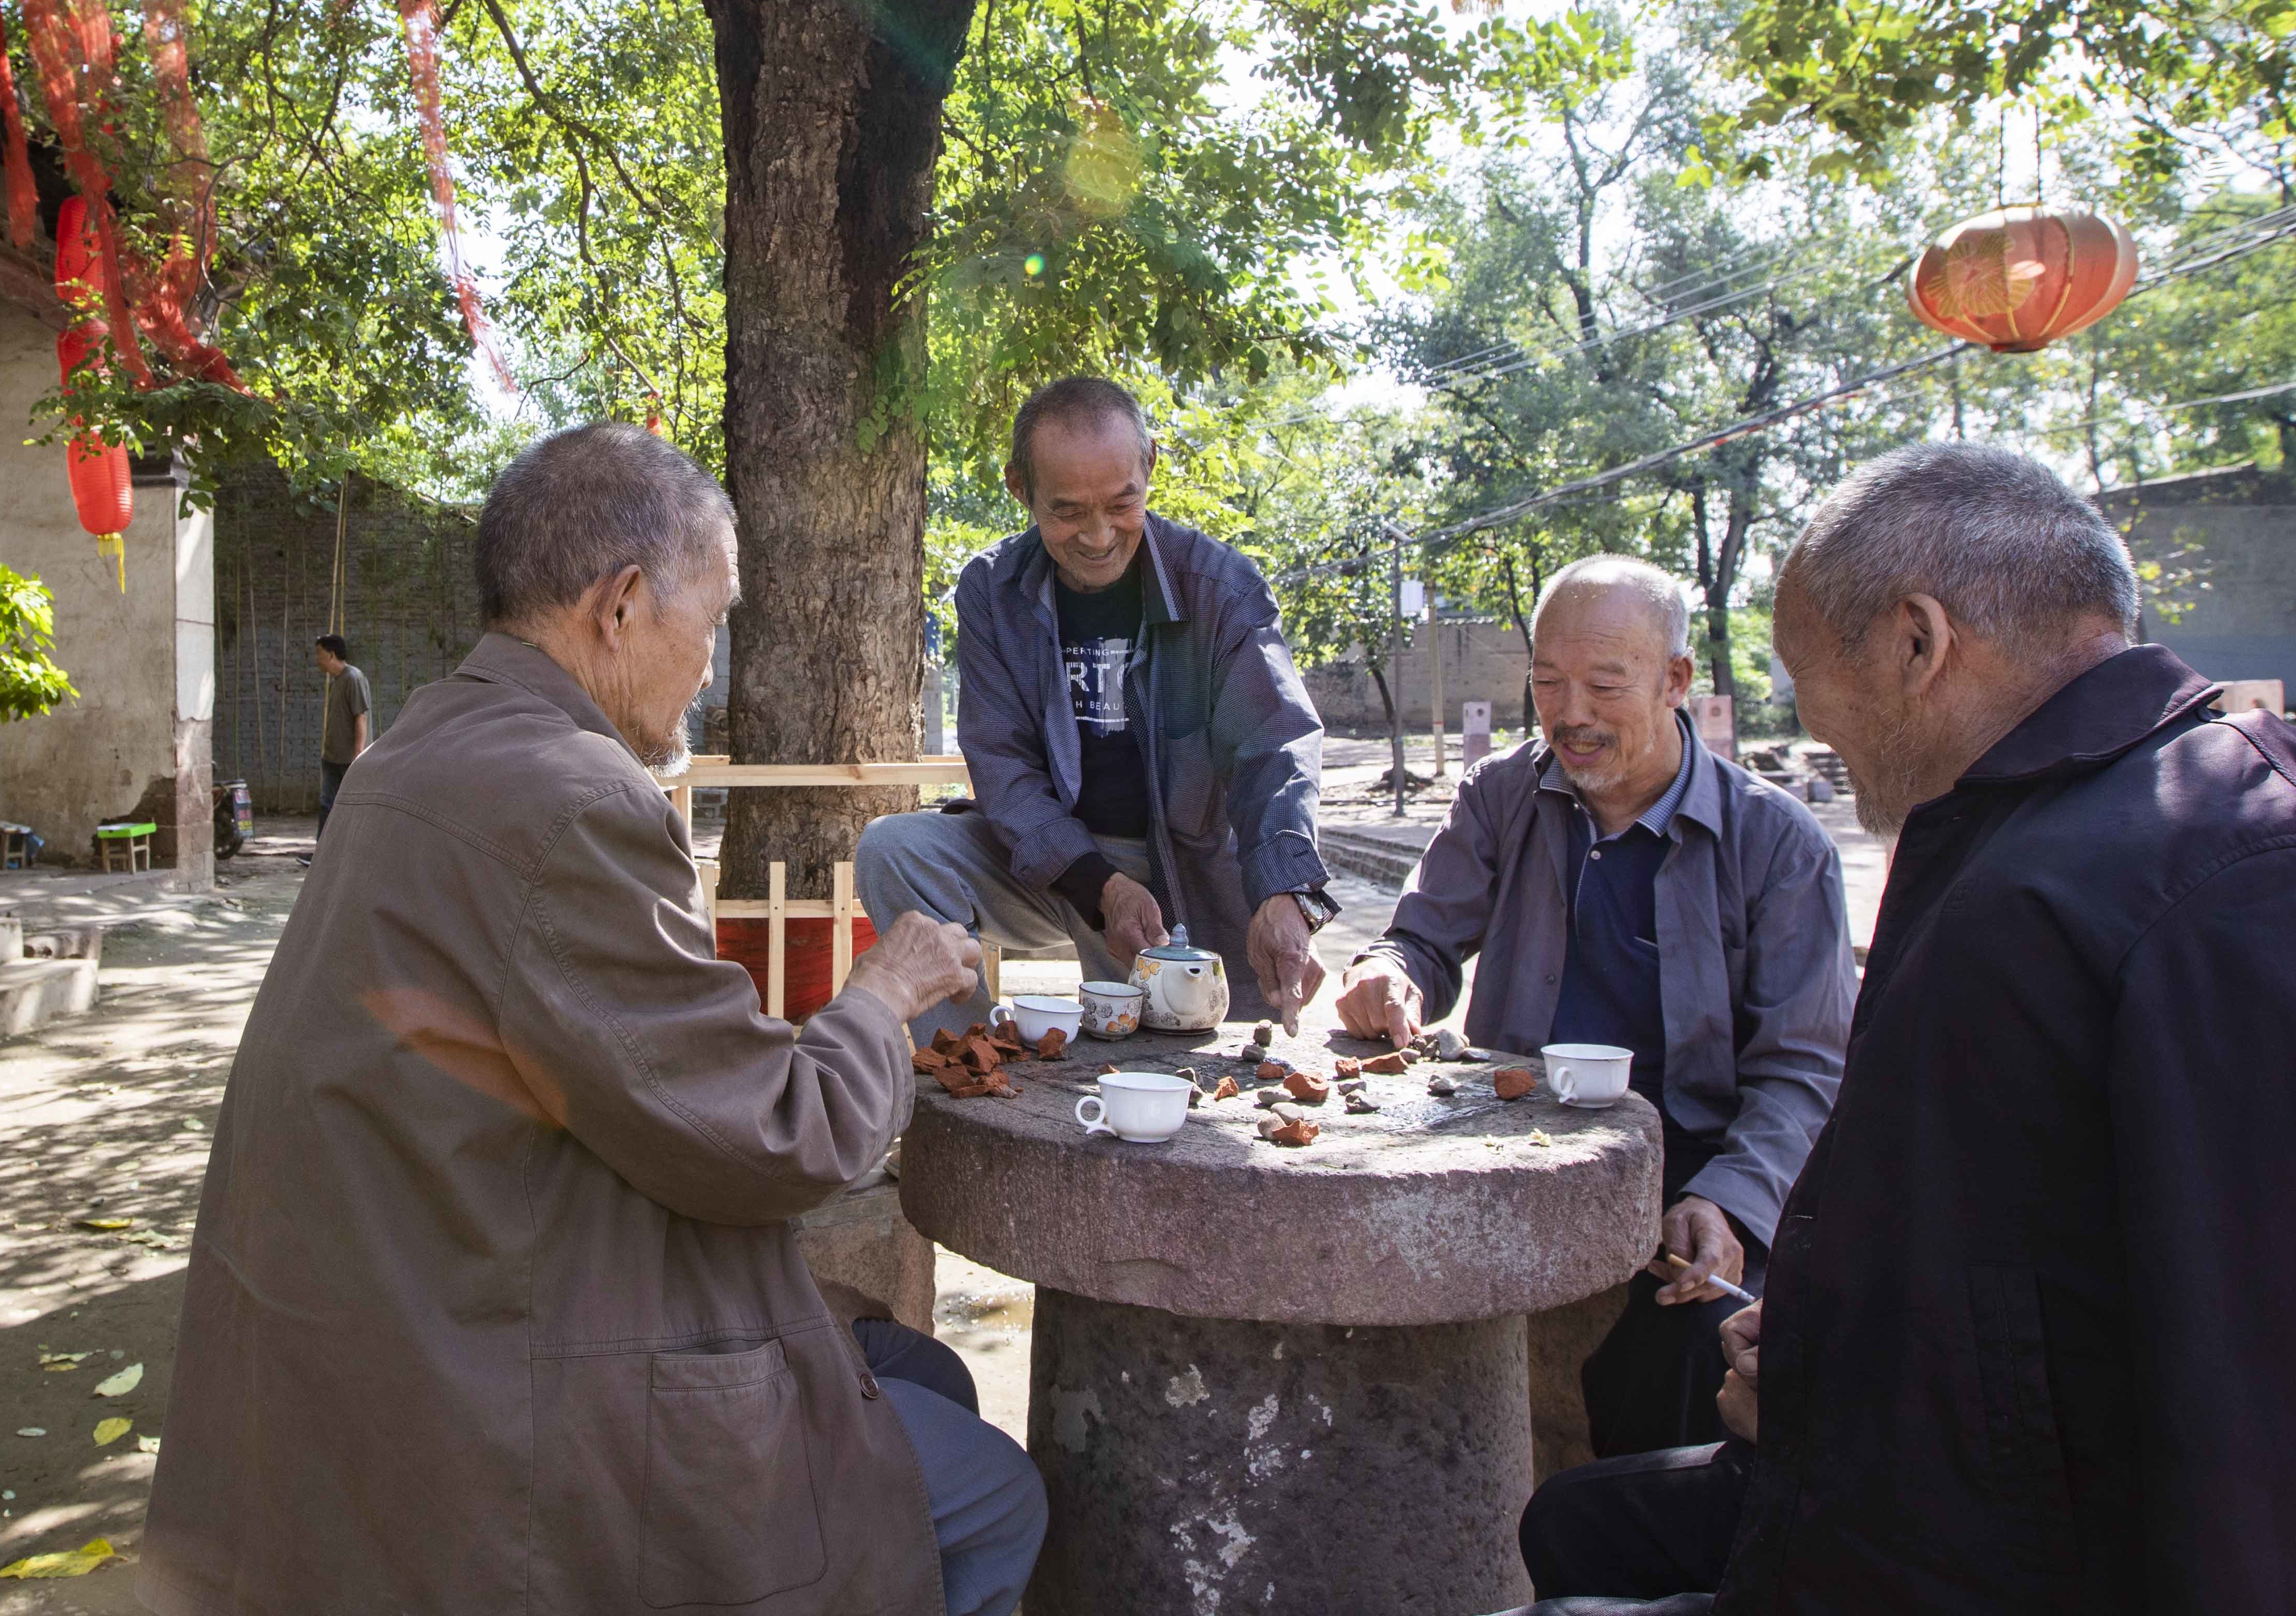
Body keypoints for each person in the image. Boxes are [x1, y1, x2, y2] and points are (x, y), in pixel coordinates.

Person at [1500, 441, 2296, 1616]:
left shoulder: (2046, 902)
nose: (1803, 723)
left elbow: (2256, 1419)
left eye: (1799, 673)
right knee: (1581, 1520)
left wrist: (1834, 1413)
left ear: (1915, 644)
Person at [142, 422, 1046, 1616]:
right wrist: (880, 998)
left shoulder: (423, 745)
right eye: (710, 623)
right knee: (995, 1496)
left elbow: (613, 1062)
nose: (709, 670)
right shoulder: (566, 798)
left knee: (913, 1367)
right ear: (619, 607)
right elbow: (777, 1143)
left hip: (398, 1327)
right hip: (483, 1400)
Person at [1333, 555, 1851, 1457]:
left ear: (1675, 681)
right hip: (1517, 1139)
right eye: (1546, 683)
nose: (1570, 714)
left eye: (1605, 686)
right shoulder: (1502, 794)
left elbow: (1804, 1072)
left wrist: (1725, 1204)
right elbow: (1419, 937)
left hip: (1695, 1160)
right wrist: (1392, 973)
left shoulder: (1777, 843)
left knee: (1686, 1368)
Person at [856, 375, 1333, 1043]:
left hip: (1183, 867)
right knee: (893, 849)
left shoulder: (1221, 587)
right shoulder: (992, 591)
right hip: (1051, 859)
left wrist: (1289, 891)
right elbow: (1003, 766)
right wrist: (1101, 885)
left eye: (1121, 503)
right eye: (1069, 511)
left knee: (1194, 1073)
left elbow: (1276, 746)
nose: (1100, 535)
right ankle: (970, 1057)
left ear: (1151, 467)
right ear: (1019, 488)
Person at [313, 632, 369, 814]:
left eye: (319, 654)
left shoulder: (353, 678)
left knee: (349, 810)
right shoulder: (336, 682)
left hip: (348, 761)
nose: (317, 659)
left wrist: (358, 755)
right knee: (327, 805)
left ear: (331, 655)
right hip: (332, 758)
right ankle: (323, 843)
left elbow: (360, 716)